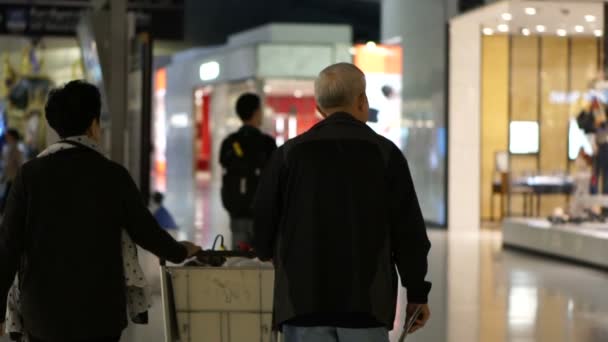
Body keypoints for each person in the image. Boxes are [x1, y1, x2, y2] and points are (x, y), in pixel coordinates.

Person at [0, 80, 200, 342]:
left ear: (55, 125)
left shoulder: (29, 176)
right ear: (94, 125)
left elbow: (8, 246)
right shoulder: (113, 175)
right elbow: (146, 232)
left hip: (43, 309)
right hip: (99, 310)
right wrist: (180, 250)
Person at [253, 63, 432, 342]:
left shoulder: (288, 155)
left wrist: (266, 250)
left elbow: (263, 219)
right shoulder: (386, 155)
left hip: (302, 302)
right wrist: (417, 292)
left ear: (319, 107)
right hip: (366, 305)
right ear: (362, 101)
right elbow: (408, 231)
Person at [220, 93, 276, 250]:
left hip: (236, 211)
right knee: (262, 260)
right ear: (257, 112)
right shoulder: (267, 143)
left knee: (239, 259)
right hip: (262, 213)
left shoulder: (229, 142)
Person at [0, 128, 24, 213]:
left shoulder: (17, 148)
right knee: (9, 194)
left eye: (8, 135)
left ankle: (4, 210)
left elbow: (20, 163)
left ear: (12, 136)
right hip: (10, 176)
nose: (6, 136)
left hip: (14, 176)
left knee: (9, 195)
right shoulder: (8, 146)